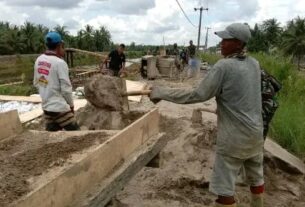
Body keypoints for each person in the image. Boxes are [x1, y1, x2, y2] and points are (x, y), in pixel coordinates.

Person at [150, 23, 264, 207]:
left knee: (224, 188)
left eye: (226, 40)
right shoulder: (254, 63)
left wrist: (161, 92)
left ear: (237, 43)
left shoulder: (223, 66)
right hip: (256, 135)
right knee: (256, 178)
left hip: (234, 139)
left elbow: (197, 95)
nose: (221, 43)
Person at [33, 32, 80, 131]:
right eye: (63, 46)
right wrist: (71, 106)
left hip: (46, 107)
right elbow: (66, 89)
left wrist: (46, 95)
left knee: (52, 137)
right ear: (59, 46)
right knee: (77, 134)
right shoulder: (60, 63)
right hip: (60, 107)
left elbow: (37, 83)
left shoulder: (39, 60)